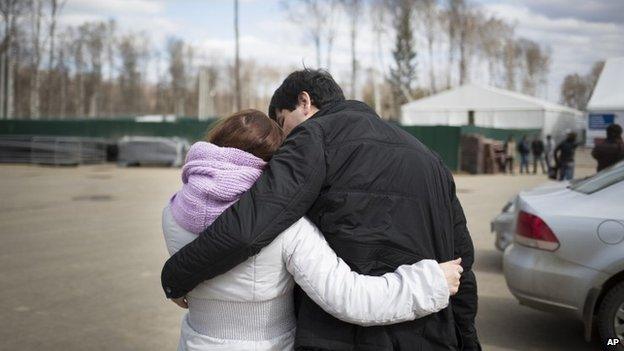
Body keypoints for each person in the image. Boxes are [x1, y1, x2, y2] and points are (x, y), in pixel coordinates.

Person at [161, 69, 481, 350]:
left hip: (340, 336)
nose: (282, 139)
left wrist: (176, 275)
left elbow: (251, 225)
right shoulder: (429, 157)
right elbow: (462, 263)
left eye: (282, 122)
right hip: (428, 332)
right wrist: (467, 339)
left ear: (304, 102)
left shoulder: (310, 138)